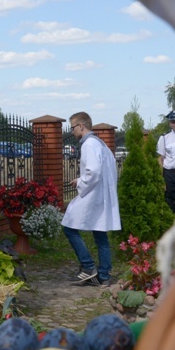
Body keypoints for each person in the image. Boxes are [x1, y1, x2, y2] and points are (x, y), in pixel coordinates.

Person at [62, 112, 121, 287]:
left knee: (69, 227)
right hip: (102, 196)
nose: (72, 131)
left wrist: (79, 181)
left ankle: (88, 267)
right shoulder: (101, 144)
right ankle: (104, 276)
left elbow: (93, 172)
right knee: (100, 234)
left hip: (93, 196)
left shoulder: (89, 144)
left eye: (72, 127)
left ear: (81, 126)